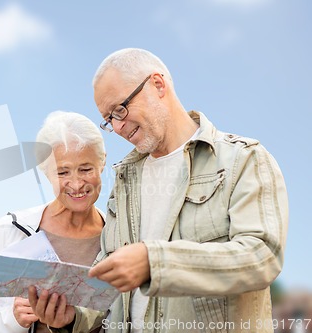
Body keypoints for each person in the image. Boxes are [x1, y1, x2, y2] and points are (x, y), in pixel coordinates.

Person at [29, 48, 288, 333]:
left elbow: (261, 257)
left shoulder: (242, 160)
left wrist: (155, 262)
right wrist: (71, 317)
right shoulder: (125, 180)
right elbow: (108, 285)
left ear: (158, 84)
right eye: (108, 119)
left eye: (120, 110)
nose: (117, 127)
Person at [0, 111, 107, 333]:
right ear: (46, 174)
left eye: (86, 169)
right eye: (62, 172)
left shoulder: (117, 235)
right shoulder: (12, 229)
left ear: (102, 162)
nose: (76, 183)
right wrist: (13, 318)